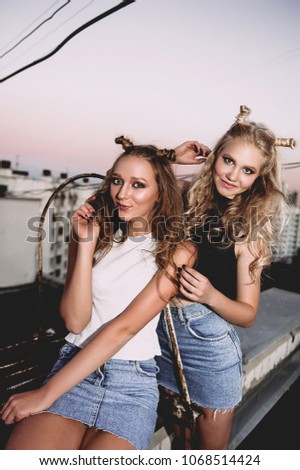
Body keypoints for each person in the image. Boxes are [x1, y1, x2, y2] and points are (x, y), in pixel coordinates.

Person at [1, 136, 199, 450]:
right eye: (117, 181)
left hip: (130, 386)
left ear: (161, 192)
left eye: (138, 185)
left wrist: (45, 393)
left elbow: (124, 329)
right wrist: (84, 245)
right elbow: (76, 322)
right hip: (71, 371)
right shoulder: (99, 237)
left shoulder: (176, 251)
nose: (122, 194)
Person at [155, 105, 296, 450]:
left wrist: (210, 295)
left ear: (258, 178)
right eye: (228, 160)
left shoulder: (250, 230)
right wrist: (171, 155)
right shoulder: (186, 194)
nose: (233, 175)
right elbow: (134, 179)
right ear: (215, 155)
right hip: (160, 334)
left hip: (209, 345)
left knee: (211, 454)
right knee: (181, 441)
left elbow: (247, 315)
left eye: (248, 170)